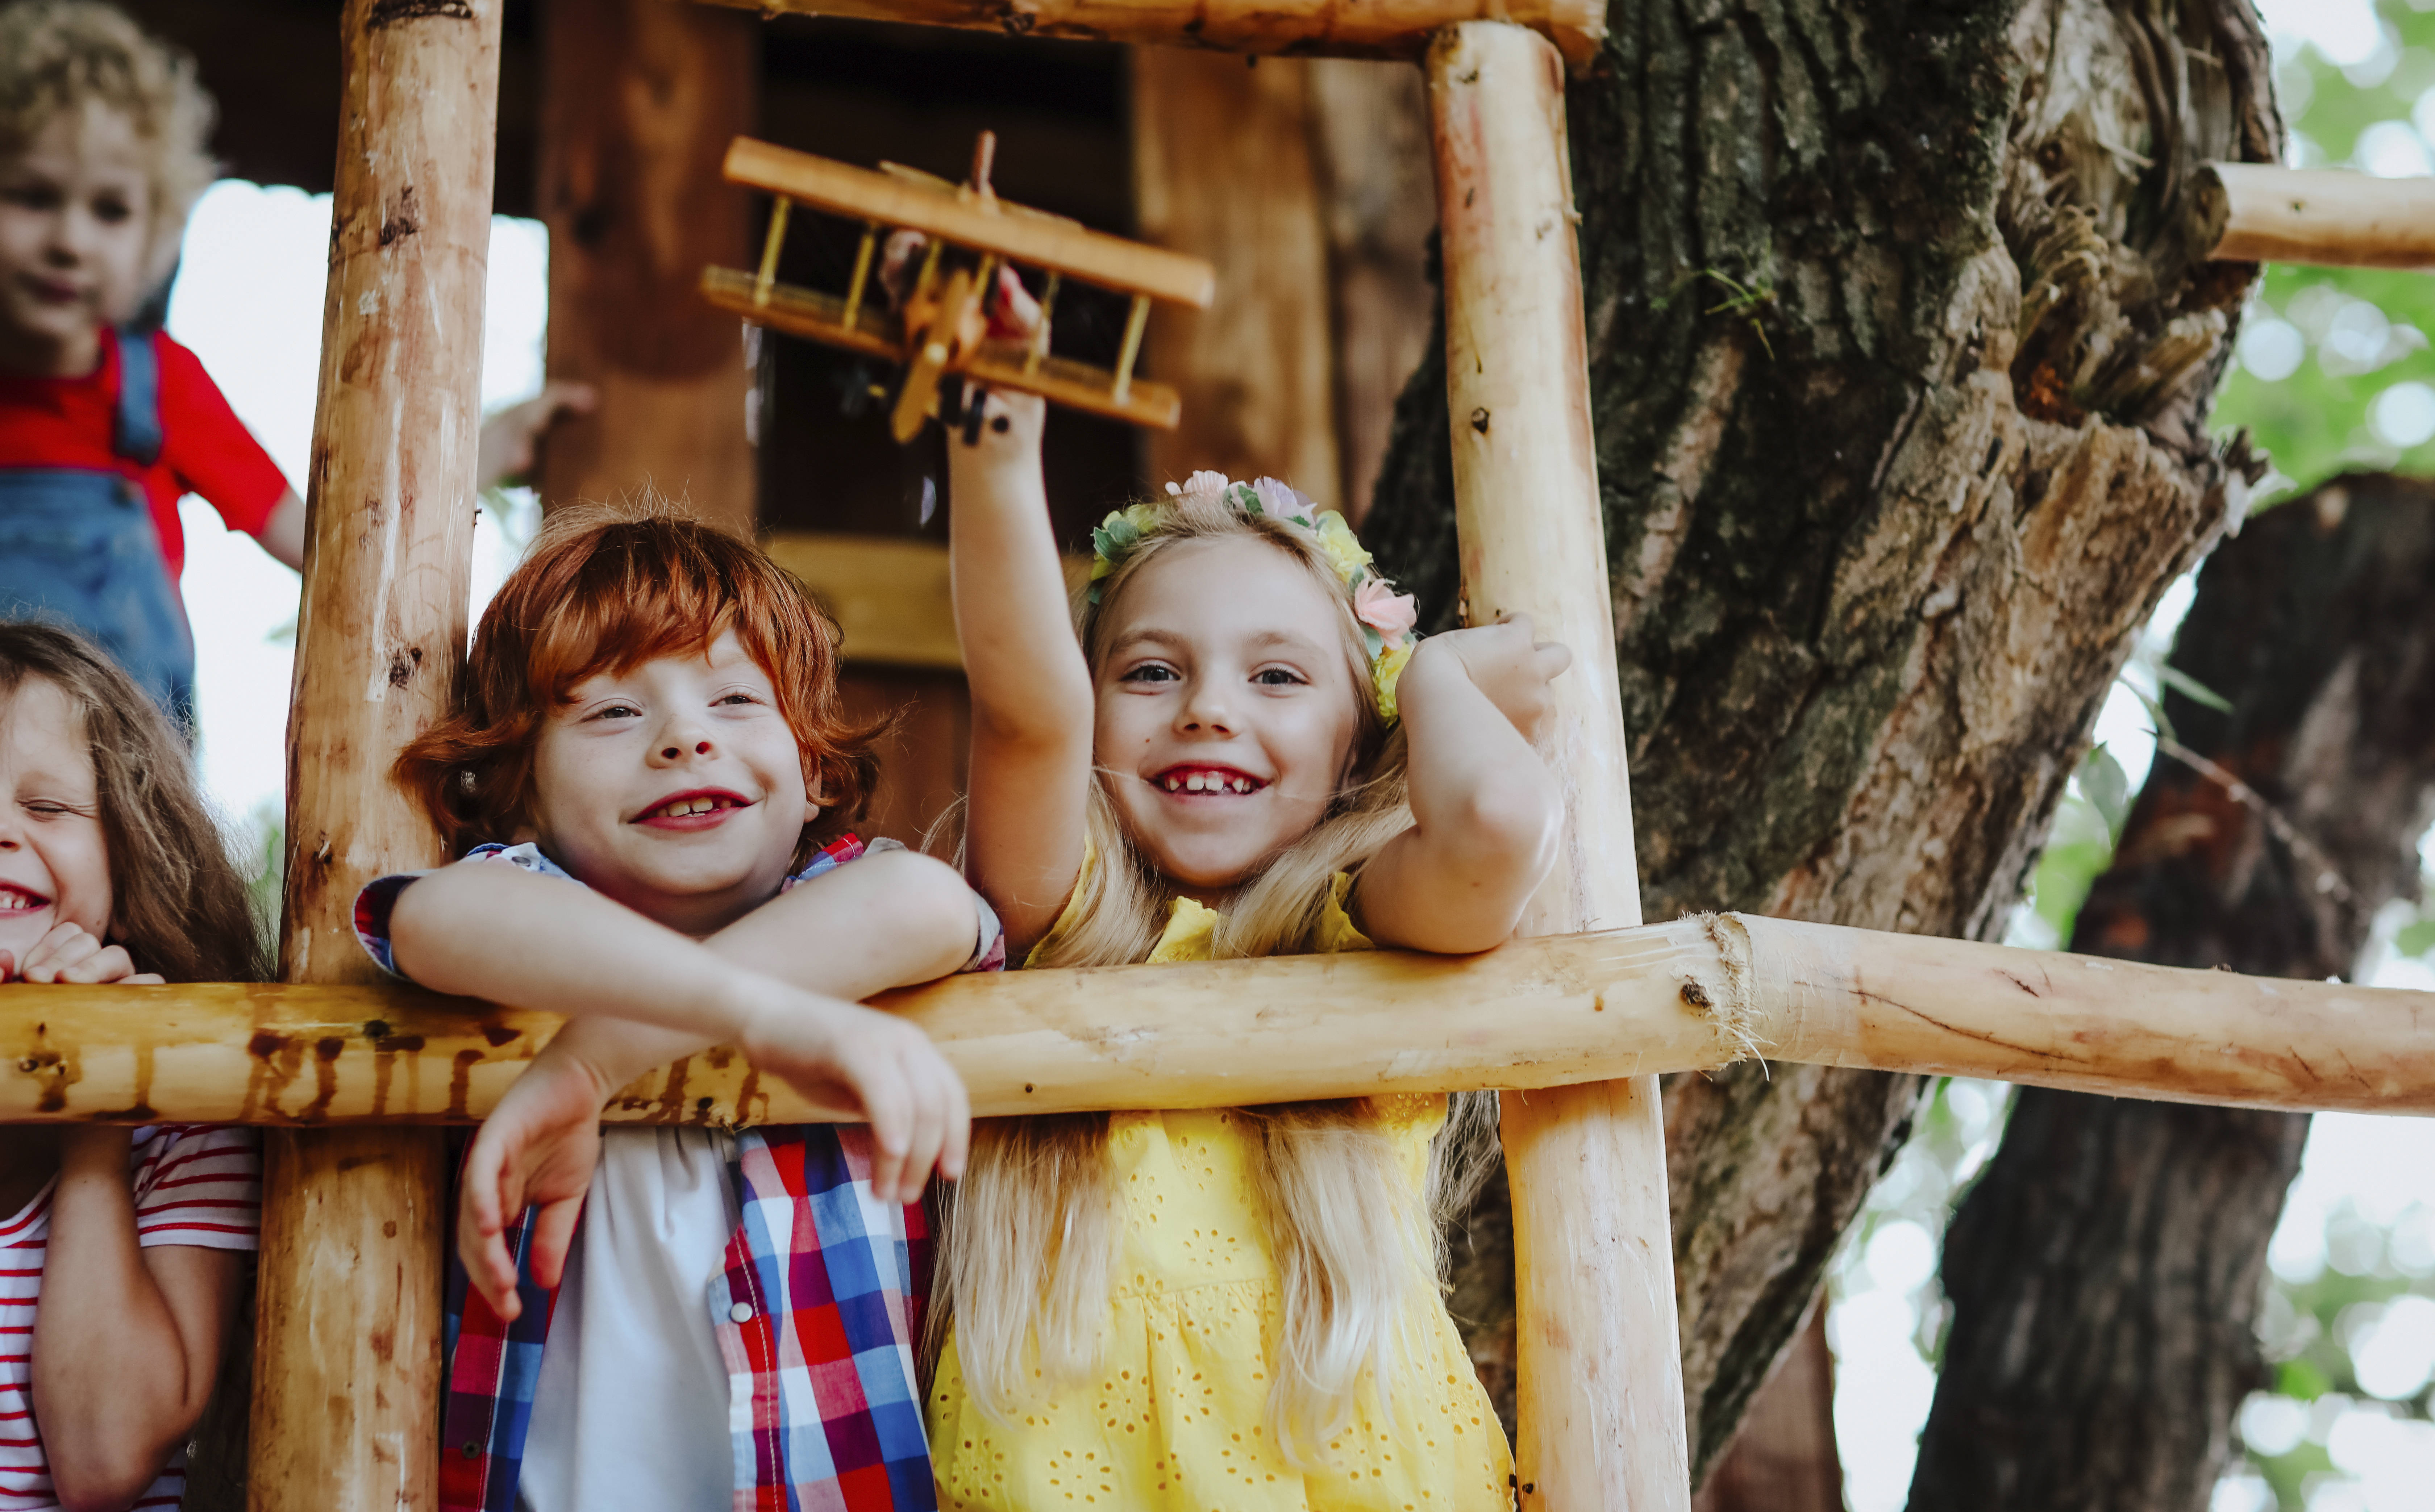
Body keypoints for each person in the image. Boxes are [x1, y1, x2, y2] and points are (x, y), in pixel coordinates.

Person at [931, 378, 1572, 1507]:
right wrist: (992, 442)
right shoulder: (1055, 923)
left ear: (1362, 742)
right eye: (1149, 671)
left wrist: (1433, 673)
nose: (1207, 709)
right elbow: (1023, 711)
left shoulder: (1353, 927)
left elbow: (1499, 829)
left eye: (1277, 675)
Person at [355, 508, 998, 1512]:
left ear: (815, 765)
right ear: (520, 793)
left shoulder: (855, 898)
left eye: (737, 699)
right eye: (612, 714)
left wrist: (589, 1064)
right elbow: (431, 918)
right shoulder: (524, 912)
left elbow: (927, 905)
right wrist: (765, 1018)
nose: (684, 737)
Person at [0, 0, 591, 731]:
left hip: (114, 777)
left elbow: (333, 547)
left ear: (157, 234)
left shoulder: (159, 390)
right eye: (32, 196)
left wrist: (472, 457)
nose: (71, 241)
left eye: (110, 210)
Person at [0, 622, 267, 1511]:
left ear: (132, 853)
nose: (1, 830)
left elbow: (102, 1458)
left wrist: (98, 1123)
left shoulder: (185, 1111)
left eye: (46, 808)